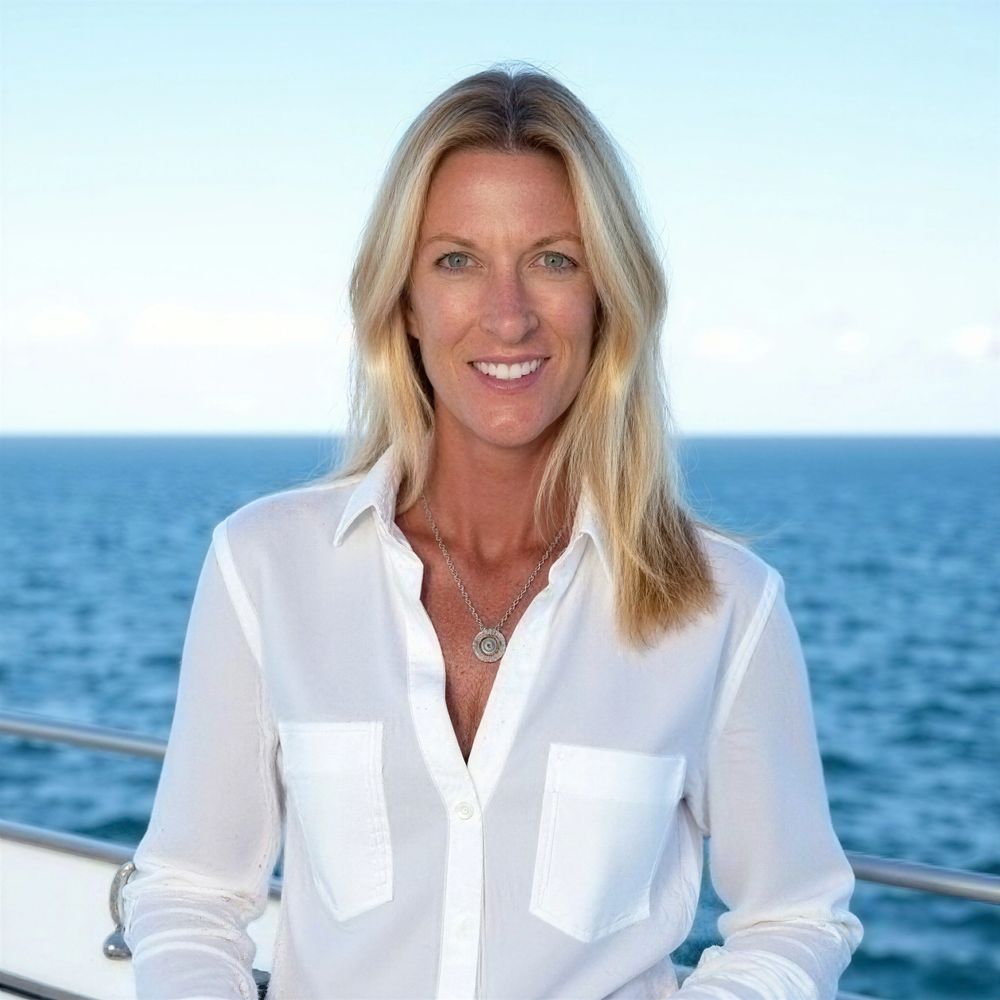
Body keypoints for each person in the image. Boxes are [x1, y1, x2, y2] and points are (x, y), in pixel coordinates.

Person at [122, 62, 863, 999]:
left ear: (609, 298)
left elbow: (794, 917)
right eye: (458, 260)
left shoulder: (726, 607)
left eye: (555, 258)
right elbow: (189, 889)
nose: (508, 314)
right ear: (404, 301)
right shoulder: (263, 565)